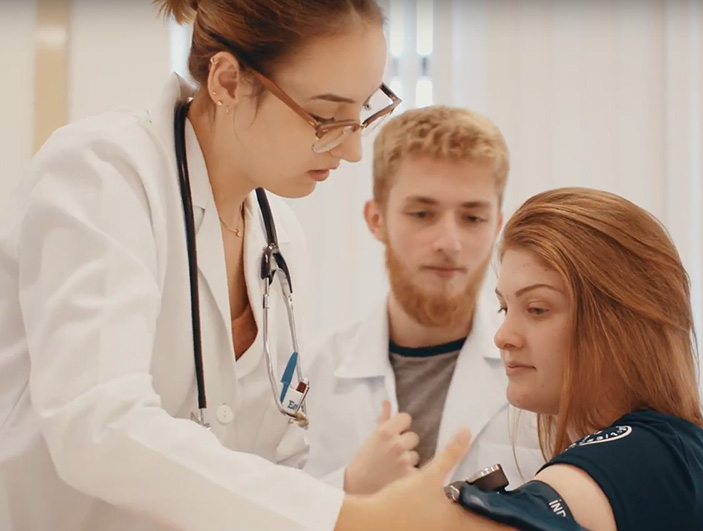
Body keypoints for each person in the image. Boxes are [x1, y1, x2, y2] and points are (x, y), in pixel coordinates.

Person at [0, 1, 478, 530]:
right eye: (325, 117)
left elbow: (260, 472)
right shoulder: (105, 176)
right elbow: (97, 429)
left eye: (362, 113)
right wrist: (346, 516)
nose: (352, 152)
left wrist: (348, 496)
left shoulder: (279, 238)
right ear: (227, 80)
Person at [439, 187, 703, 530]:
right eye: (505, 308)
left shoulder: (646, 453)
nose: (503, 336)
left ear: (620, 325)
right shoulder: (681, 448)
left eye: (537, 309)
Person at [303, 106, 542, 495]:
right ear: (376, 219)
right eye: (422, 213)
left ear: (497, 224)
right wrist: (348, 491)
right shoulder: (307, 378)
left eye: (473, 218)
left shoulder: (550, 377)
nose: (448, 243)